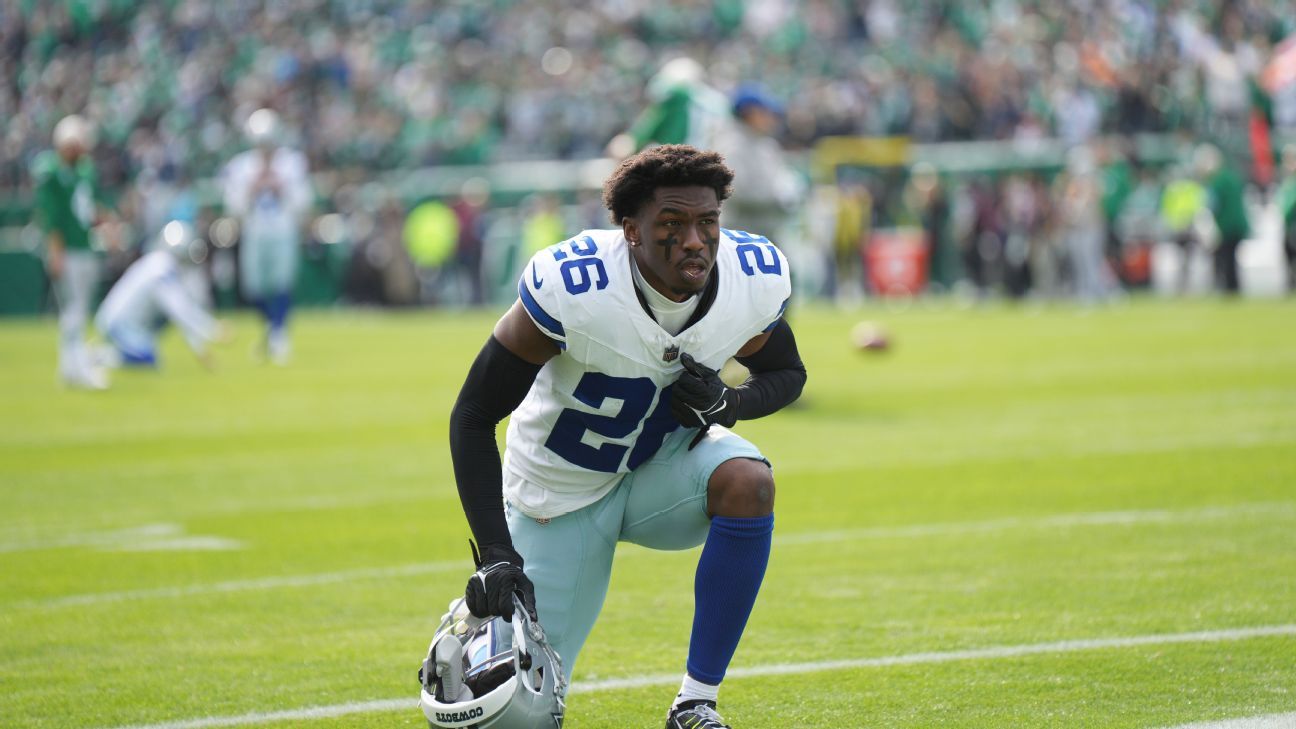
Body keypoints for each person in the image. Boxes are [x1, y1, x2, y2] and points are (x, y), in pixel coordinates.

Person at [447, 145, 805, 729]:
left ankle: (695, 702)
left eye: (707, 222)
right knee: (514, 713)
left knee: (748, 482)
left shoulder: (748, 279)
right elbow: (473, 414)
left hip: (660, 472)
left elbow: (787, 372)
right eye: (672, 223)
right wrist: (495, 555)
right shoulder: (576, 286)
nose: (695, 241)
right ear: (631, 230)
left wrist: (731, 403)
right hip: (558, 493)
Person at [33, 114, 122, 390]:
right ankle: (79, 368)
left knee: (77, 310)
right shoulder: (50, 171)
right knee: (73, 310)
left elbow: (89, 206)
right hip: (68, 249)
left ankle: (69, 368)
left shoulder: (85, 170)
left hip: (84, 245)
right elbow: (51, 217)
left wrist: (109, 223)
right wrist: (55, 252)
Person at [222, 108, 312, 364]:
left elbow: (304, 201)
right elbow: (233, 206)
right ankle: (272, 328)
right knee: (253, 288)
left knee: (282, 282)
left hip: (283, 230)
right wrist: (252, 189)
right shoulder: (241, 166)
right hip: (255, 231)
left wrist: (281, 188)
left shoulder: (292, 162)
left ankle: (279, 334)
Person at [94, 221, 229, 370]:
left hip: (121, 321)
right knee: (147, 358)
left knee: (151, 353)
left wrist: (203, 343)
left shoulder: (157, 263)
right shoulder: (161, 270)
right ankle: (99, 356)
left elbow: (182, 310)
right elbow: (180, 311)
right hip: (119, 325)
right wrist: (210, 334)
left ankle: (105, 353)